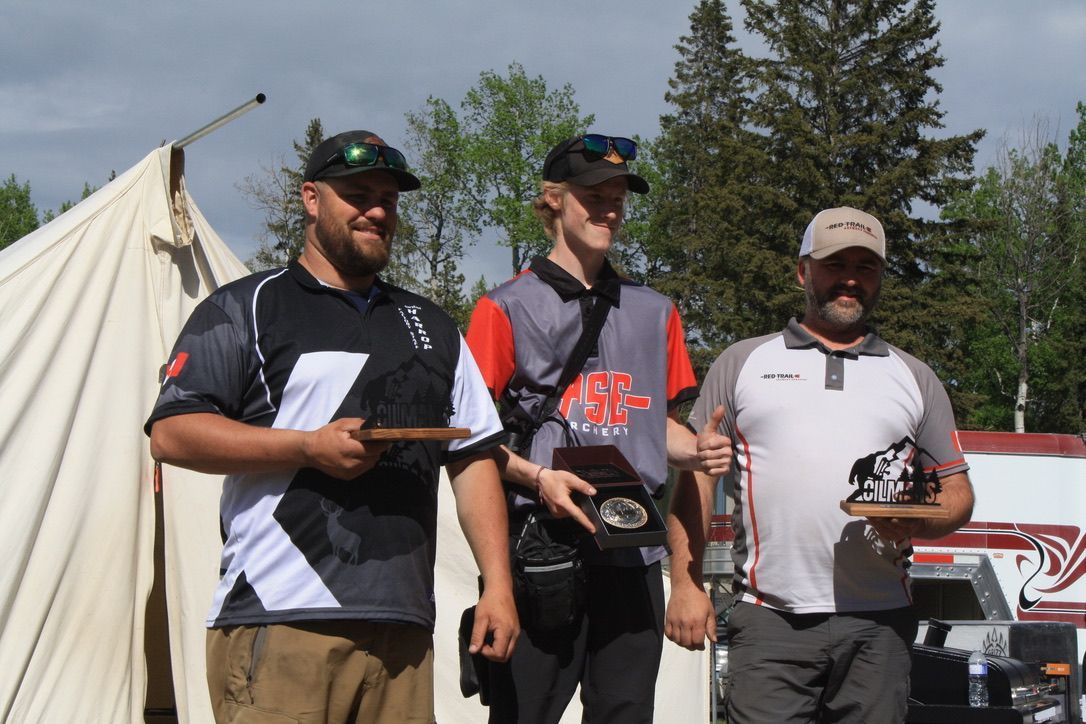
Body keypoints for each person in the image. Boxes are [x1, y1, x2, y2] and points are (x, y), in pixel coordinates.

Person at [145, 130, 518, 724]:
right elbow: (172, 432)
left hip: (403, 631)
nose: (377, 211)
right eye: (359, 194)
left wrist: (497, 584)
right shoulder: (246, 306)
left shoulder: (432, 324)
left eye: (389, 199)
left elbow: (473, 458)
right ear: (311, 199)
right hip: (279, 616)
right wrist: (307, 447)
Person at [665, 206, 976, 724]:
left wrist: (916, 519)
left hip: (880, 628)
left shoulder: (915, 377)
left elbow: (958, 494)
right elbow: (696, 476)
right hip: (769, 620)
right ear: (803, 271)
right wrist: (685, 584)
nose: (850, 278)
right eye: (835, 264)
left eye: (866, 265)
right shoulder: (743, 362)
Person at [465, 134, 731, 724]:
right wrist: (537, 479)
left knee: (625, 714)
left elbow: (653, 427)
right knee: (524, 714)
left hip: (631, 549)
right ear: (553, 200)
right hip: (544, 546)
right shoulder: (504, 308)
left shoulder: (654, 310)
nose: (609, 208)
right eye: (594, 195)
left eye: (618, 196)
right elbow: (470, 441)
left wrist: (699, 450)